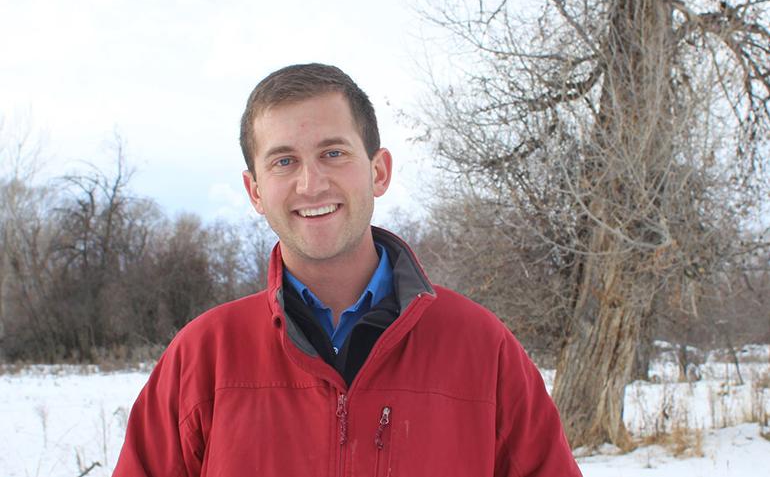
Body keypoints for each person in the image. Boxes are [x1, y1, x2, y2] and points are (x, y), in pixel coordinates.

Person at [113, 63, 582, 476]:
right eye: (283, 161)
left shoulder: (482, 349)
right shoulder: (203, 357)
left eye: (333, 153)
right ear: (254, 191)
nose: (311, 183)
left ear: (378, 171)